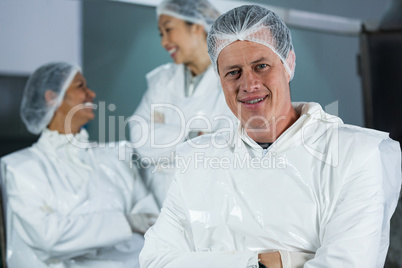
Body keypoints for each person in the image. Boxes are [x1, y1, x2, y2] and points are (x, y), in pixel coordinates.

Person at [139, 5, 402, 268]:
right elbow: (155, 260)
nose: (248, 84)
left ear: (289, 64)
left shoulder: (355, 155)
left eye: (261, 66)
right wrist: (269, 262)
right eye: (233, 72)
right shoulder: (195, 159)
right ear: (219, 78)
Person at [0, 62, 159, 268]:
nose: (91, 93)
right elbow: (49, 237)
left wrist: (81, 231)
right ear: (52, 97)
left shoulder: (115, 157)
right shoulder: (21, 168)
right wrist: (125, 223)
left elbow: (150, 220)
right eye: (80, 86)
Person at [129, 0, 235, 209]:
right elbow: (140, 138)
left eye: (168, 30)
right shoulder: (161, 80)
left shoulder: (232, 79)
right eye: (161, 33)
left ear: (197, 26)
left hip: (206, 203)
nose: (164, 41)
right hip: (158, 204)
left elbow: (224, 148)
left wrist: (163, 134)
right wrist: (193, 137)